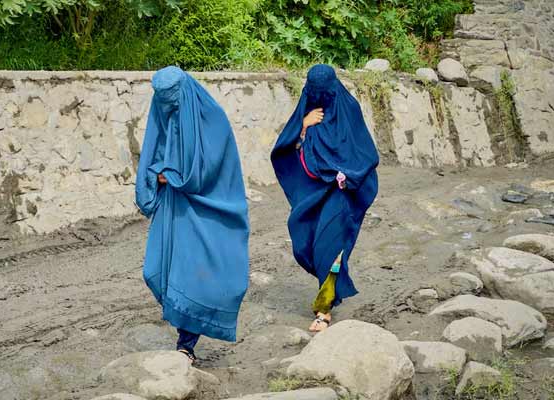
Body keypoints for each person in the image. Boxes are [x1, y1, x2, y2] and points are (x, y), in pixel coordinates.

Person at [135, 66, 249, 362]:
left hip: (206, 207)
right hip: (173, 206)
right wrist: (157, 175)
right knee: (154, 272)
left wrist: (169, 175)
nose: (166, 105)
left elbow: (206, 170)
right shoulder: (165, 112)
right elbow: (153, 154)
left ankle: (186, 345)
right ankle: (185, 340)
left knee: (194, 277)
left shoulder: (215, 121)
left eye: (171, 98)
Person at [271, 64, 379, 332]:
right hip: (311, 192)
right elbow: (286, 150)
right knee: (303, 244)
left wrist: (347, 176)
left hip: (343, 193)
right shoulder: (307, 109)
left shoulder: (348, 110)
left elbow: (365, 154)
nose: (318, 95)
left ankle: (324, 309)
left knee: (329, 249)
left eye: (322, 91)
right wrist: (302, 126)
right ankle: (330, 288)